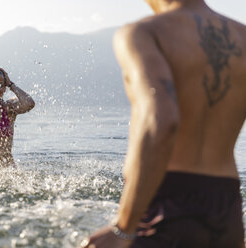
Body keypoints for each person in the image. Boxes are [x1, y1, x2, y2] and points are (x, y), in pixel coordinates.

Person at [83, 0, 246, 247]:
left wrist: (123, 228)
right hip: (228, 206)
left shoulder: (144, 33)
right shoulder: (241, 36)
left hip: (168, 202)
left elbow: (161, 121)